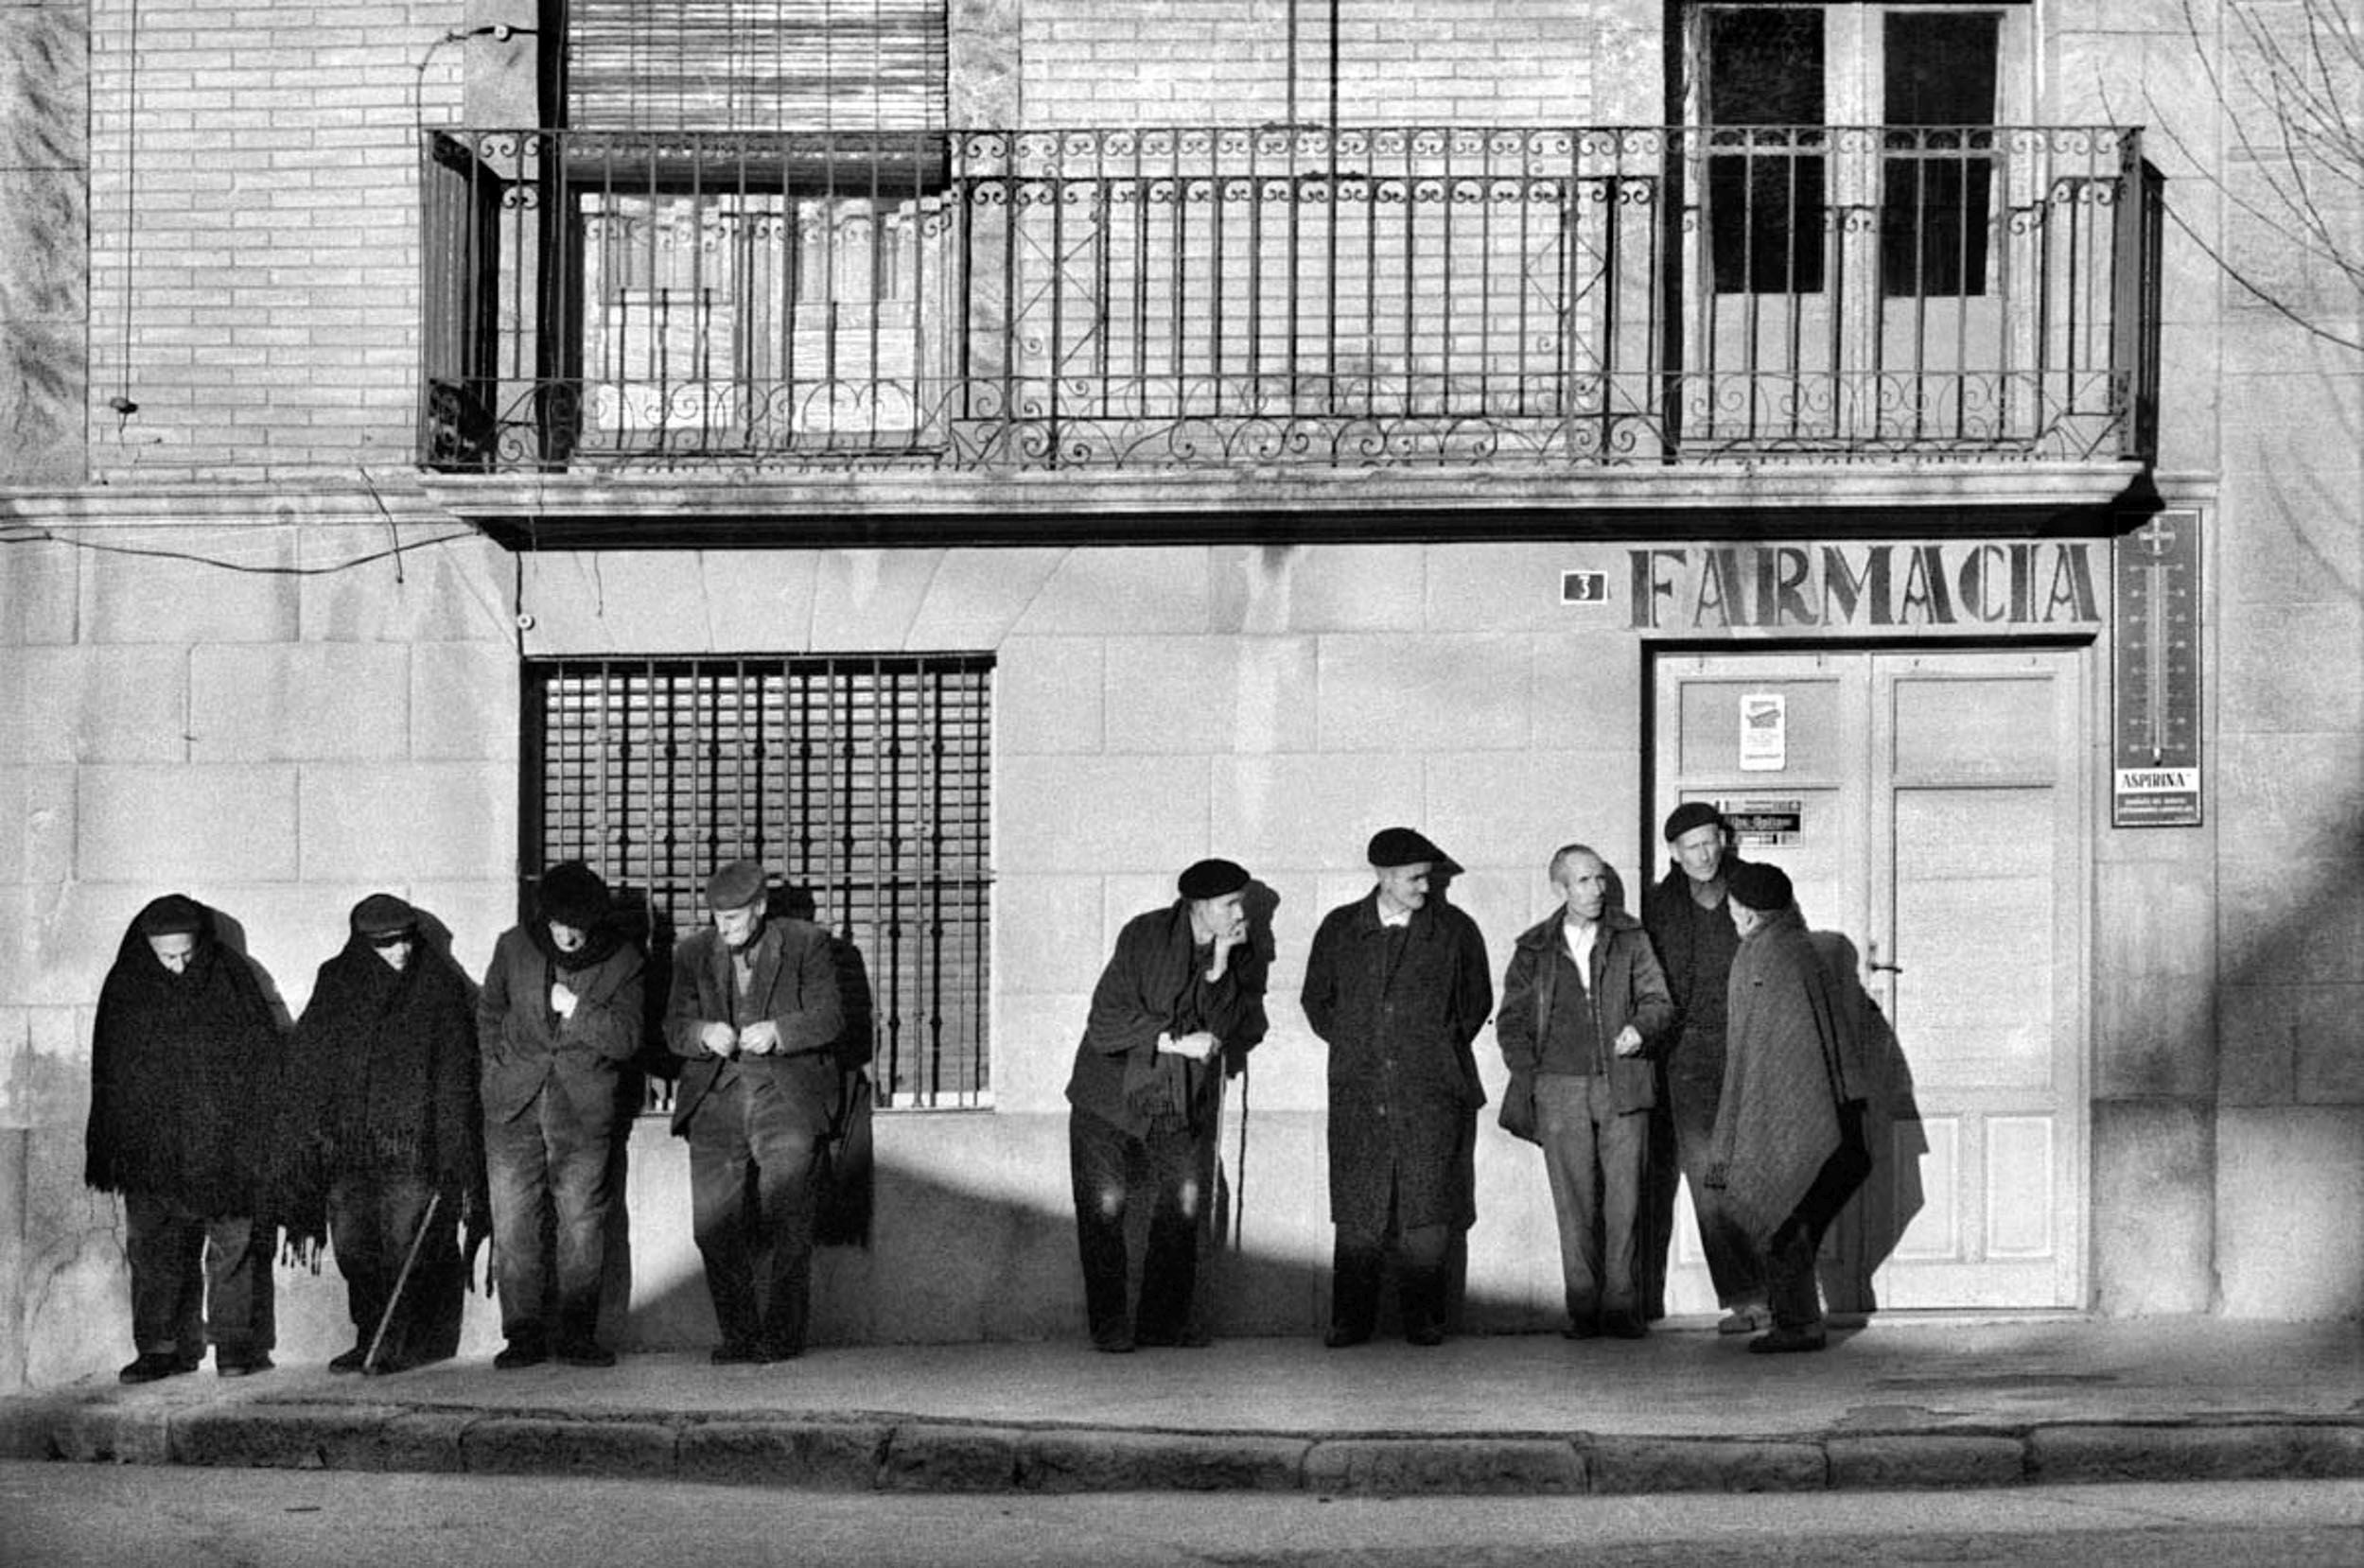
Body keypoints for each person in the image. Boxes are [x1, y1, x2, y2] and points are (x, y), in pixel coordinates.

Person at [1063, 857, 1268, 1352]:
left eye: (1241, 903)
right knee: (1106, 1205)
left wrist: (1220, 968)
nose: (1241, 915)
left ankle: (1161, 1321)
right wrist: (1175, 1042)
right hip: (1107, 1096)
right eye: (1230, 905)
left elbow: (1226, 1027)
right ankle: (1111, 1325)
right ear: (1198, 907)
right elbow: (1106, 1023)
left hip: (1174, 1099)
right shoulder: (1145, 937)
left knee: (1186, 1200)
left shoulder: (1239, 952)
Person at [1301, 828, 1492, 1348]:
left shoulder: (1454, 931)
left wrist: (1429, 1050)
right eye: (1413, 879)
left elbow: (1473, 1006)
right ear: (1383, 877)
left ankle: (1425, 1320)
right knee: (1359, 1210)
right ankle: (1350, 1321)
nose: (1423, 888)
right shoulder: (1341, 929)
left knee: (1428, 1208)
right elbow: (1318, 1002)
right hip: (1360, 1092)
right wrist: (1361, 1044)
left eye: (1427, 878)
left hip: (1432, 1091)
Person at [279, 895, 484, 1374]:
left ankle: (399, 1340)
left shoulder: (437, 985)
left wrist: (452, 1147)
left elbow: (455, 1071)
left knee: (405, 1245)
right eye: (387, 943)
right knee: (354, 1248)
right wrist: (311, 1137)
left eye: (405, 939)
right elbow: (311, 1060)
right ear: (363, 944)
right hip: (350, 1147)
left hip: (412, 1147)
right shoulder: (337, 981)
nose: (401, 951)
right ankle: (368, 1334)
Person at [85, 894, 282, 1383]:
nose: (177, 965)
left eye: (186, 954)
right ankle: (160, 1346)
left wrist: (254, 1135)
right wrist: (120, 1144)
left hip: (223, 1144)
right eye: (166, 955)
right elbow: (110, 1070)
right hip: (152, 1148)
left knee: (233, 1247)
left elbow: (261, 1061)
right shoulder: (127, 984)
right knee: (154, 1249)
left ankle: (235, 1345)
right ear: (147, 946)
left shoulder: (232, 977)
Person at [664, 859, 848, 1365]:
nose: (725, 931)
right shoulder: (693, 953)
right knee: (711, 1227)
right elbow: (672, 1027)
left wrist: (779, 1032)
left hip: (782, 1096)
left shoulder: (806, 944)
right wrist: (703, 1033)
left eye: (736, 919)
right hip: (715, 1098)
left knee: (789, 1218)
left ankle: (782, 1337)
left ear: (761, 908)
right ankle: (739, 1335)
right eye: (718, 920)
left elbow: (831, 1017)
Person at [1497, 845, 1675, 1339]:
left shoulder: (1631, 937)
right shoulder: (1533, 948)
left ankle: (1622, 1310)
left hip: (1624, 1085)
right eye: (1583, 881)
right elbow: (1511, 1022)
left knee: (1627, 1202)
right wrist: (1530, 1075)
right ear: (1560, 889)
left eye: (1599, 879)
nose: (1595, 890)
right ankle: (1583, 1311)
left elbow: (1659, 1000)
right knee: (1573, 1206)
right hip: (1558, 1090)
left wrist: (1640, 1029)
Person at [476, 861, 646, 1368]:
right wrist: (495, 1071)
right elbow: (489, 1013)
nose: (570, 936)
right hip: (513, 1103)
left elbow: (628, 1039)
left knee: (582, 1221)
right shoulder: (513, 947)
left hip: (582, 1107)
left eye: (579, 926)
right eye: (560, 924)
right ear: (544, 916)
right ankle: (523, 1333)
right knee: (513, 1220)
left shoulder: (624, 960)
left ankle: (577, 1334)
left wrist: (577, 1008)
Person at [1705, 862, 1861, 1354]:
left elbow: (1764, 1057)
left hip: (1786, 1121)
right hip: (1832, 1113)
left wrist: (1748, 1128)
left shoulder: (1762, 956)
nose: (1731, 916)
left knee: (1780, 1206)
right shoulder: (1800, 945)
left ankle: (1797, 1324)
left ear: (1751, 913)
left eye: (1734, 908)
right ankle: (1797, 1316)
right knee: (1795, 1211)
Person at [1639, 802, 1768, 1332]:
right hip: (1687, 1056)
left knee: (1762, 1172)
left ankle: (1788, 1291)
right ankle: (1748, 1298)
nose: (1705, 853)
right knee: (1709, 1179)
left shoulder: (1753, 888)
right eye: (1692, 845)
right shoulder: (1659, 903)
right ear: (1674, 852)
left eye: (1711, 840)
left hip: (1750, 1044)